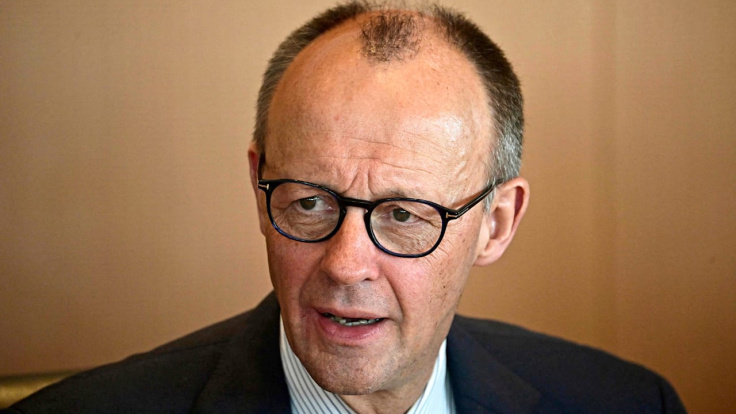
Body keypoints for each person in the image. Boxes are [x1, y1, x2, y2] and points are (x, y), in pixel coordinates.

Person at [3, 1, 687, 413]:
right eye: (309, 202)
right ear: (259, 186)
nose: (345, 264)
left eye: (403, 215)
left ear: (496, 224)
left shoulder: (626, 402)